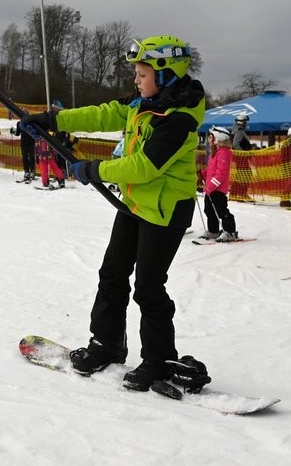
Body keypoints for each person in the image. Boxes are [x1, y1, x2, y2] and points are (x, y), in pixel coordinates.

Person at [20, 34, 208, 392]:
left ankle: (158, 360)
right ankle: (107, 344)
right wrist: (52, 120)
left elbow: (143, 167)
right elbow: (103, 113)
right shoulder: (143, 102)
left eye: (142, 73)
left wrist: (94, 169)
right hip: (137, 204)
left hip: (166, 210)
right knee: (112, 274)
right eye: (135, 73)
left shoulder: (179, 119)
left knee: (149, 286)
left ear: (165, 74)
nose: (136, 80)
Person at [198, 126, 239, 242]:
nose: (209, 139)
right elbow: (212, 170)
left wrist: (210, 186)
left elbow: (221, 174)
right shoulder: (215, 152)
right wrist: (202, 174)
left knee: (221, 211)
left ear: (219, 138)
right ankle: (213, 231)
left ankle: (230, 231)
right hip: (210, 188)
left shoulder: (223, 153)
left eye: (212, 137)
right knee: (209, 210)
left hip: (218, 190)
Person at [11, 113, 37, 182]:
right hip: (24, 142)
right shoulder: (19, 123)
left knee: (31, 156)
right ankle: (26, 171)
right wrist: (13, 131)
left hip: (31, 141)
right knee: (25, 157)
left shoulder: (32, 123)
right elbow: (18, 133)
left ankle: (33, 171)